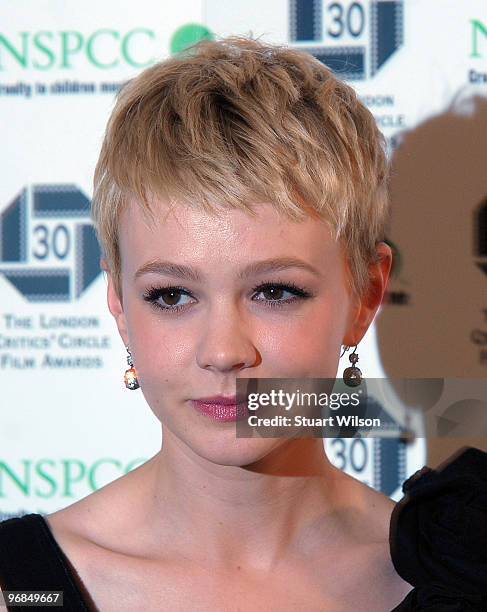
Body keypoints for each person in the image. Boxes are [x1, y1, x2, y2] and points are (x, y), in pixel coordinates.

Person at [1, 35, 486, 612]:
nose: (224, 350)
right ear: (118, 303)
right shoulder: (20, 588)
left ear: (365, 296)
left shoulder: (456, 579)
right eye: (173, 295)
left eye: (274, 291)